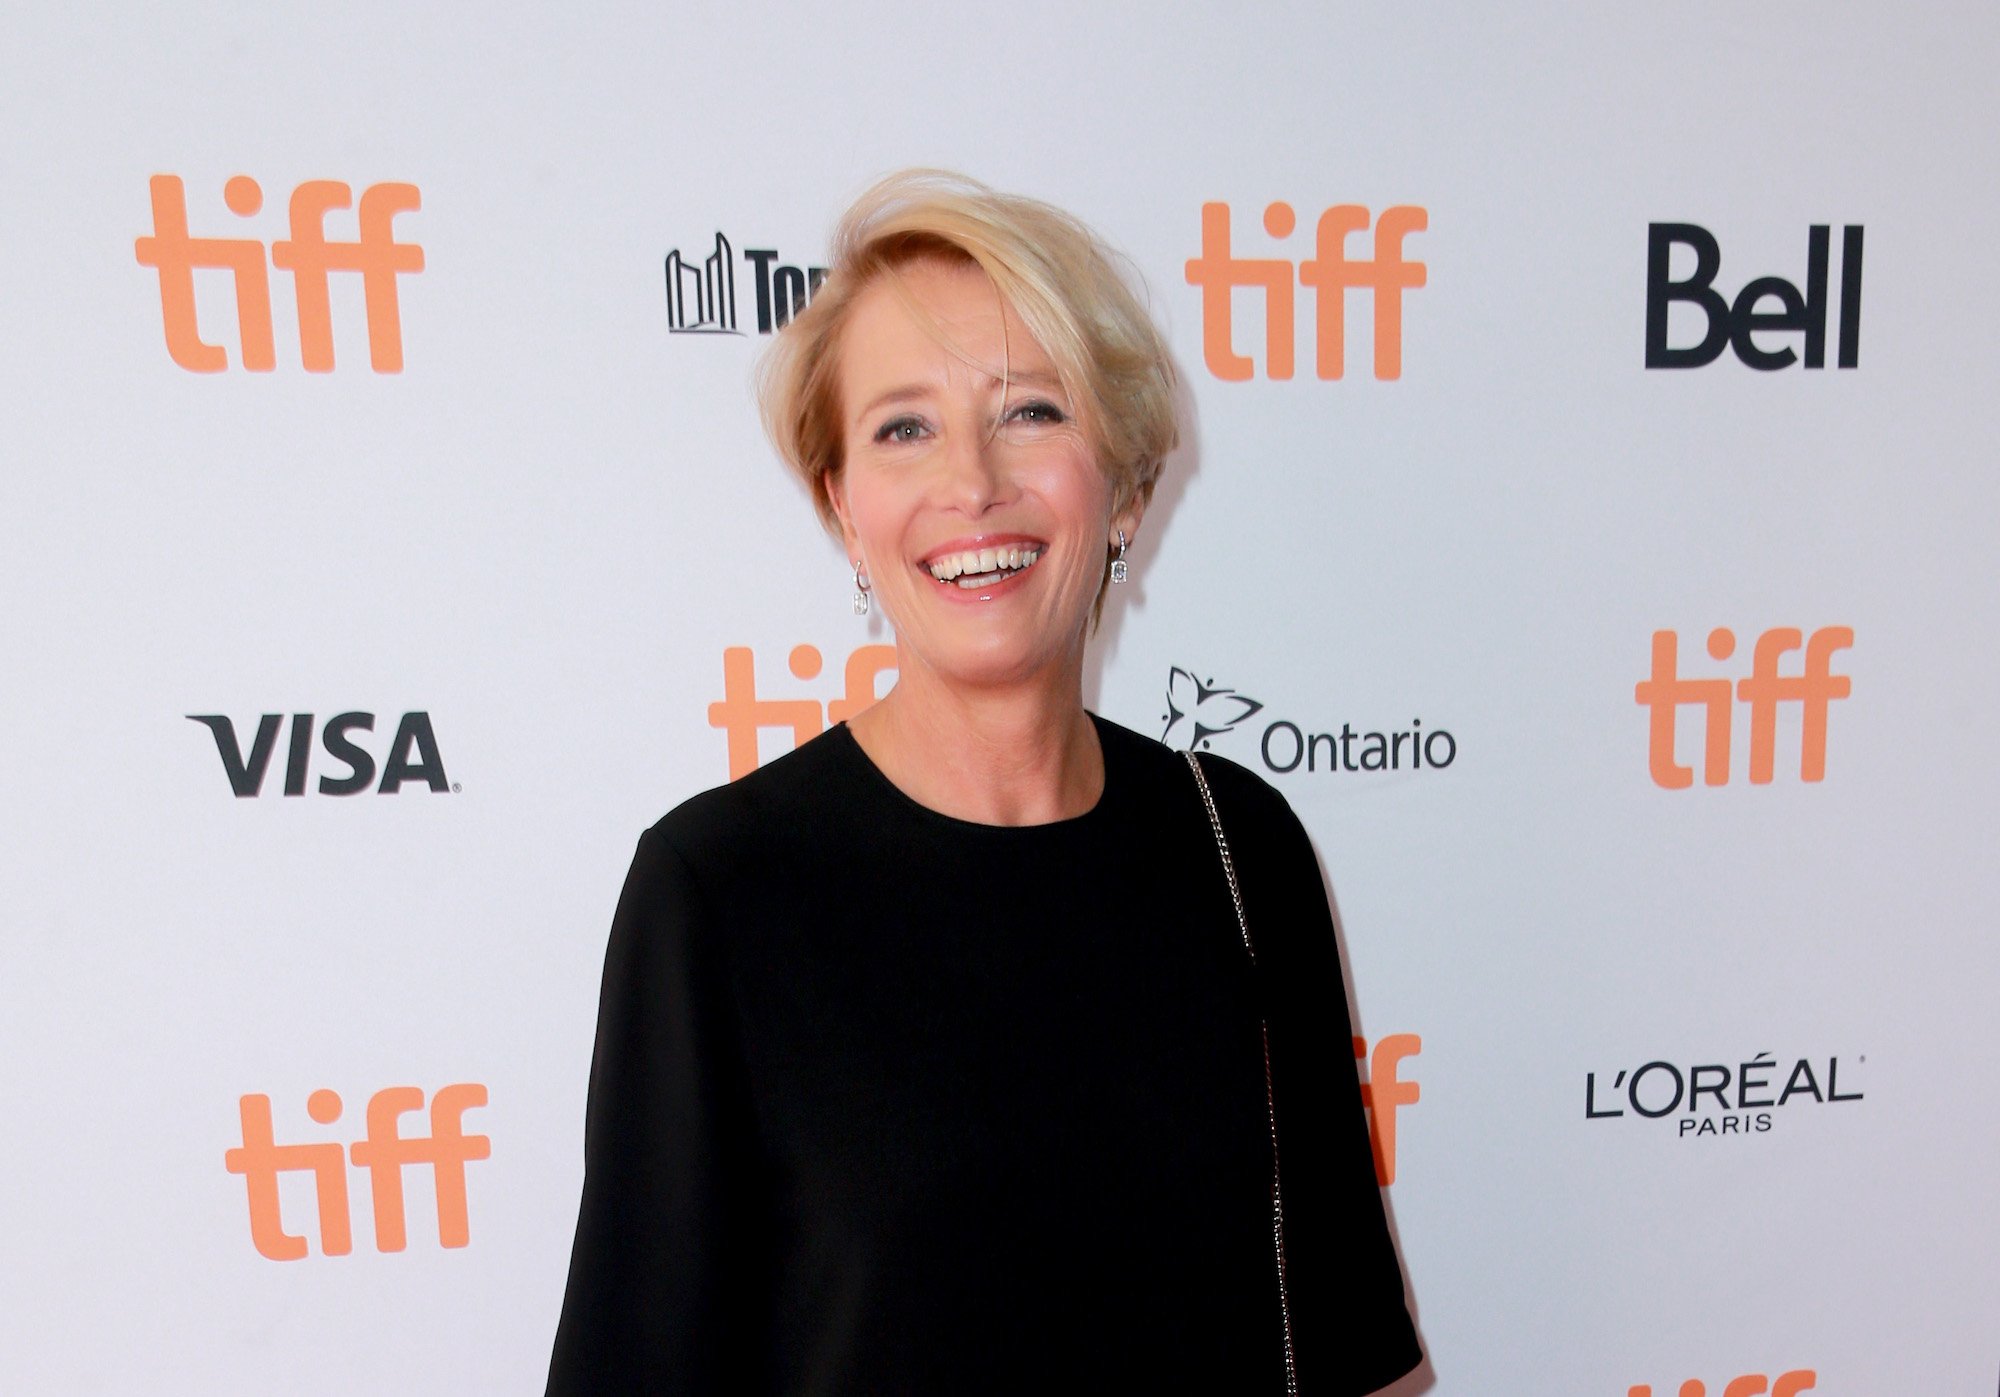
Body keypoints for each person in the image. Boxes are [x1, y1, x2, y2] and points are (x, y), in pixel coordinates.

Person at [546, 170, 1421, 1395]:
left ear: (1121, 487)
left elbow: (1347, 1354)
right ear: (843, 506)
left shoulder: (1242, 844)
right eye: (903, 426)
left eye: (1028, 411)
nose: (972, 482)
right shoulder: (720, 889)